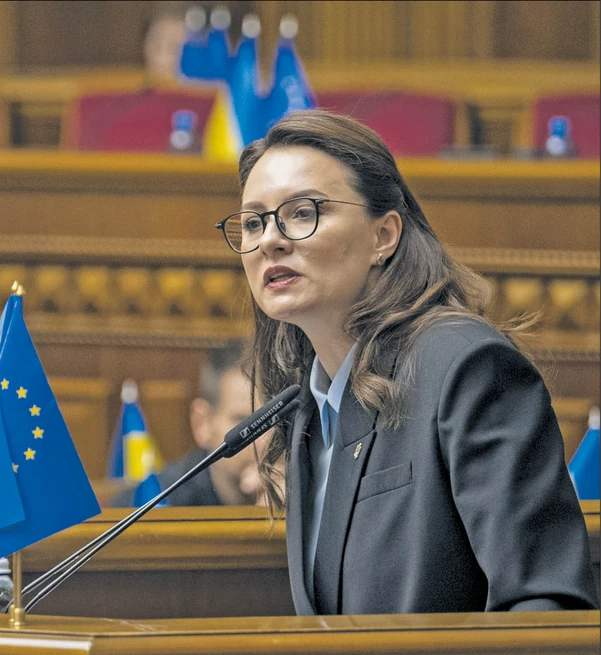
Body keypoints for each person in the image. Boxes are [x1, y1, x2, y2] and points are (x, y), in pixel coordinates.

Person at [214, 109, 598, 615]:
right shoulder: (309, 404)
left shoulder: (466, 368)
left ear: (384, 236)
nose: (270, 240)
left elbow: (545, 601)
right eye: (253, 222)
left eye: (302, 213)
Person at [113, 340, 265, 507]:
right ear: (203, 423)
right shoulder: (154, 502)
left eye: (278, 421)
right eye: (248, 424)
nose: (266, 440)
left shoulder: (287, 492)